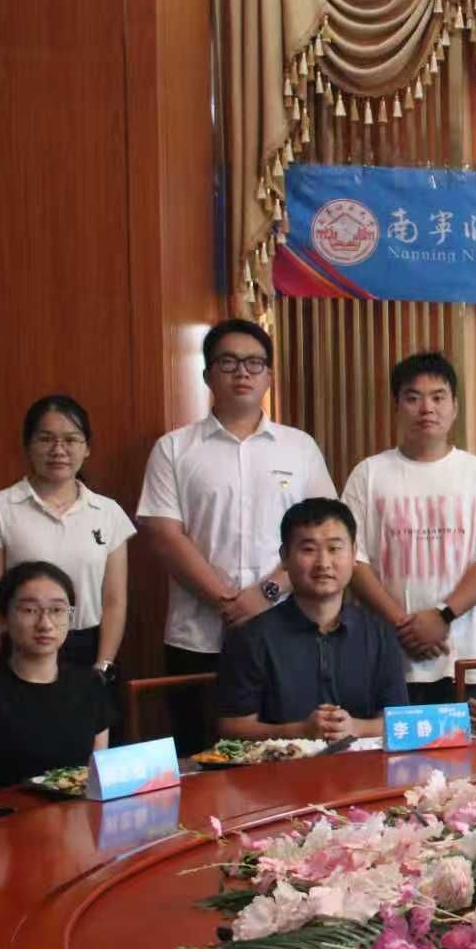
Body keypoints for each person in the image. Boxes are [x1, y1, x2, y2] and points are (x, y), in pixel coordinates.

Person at [137, 318, 335, 753]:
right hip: (199, 636)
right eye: (228, 362)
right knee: (200, 754)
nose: (242, 372)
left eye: (254, 363)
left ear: (269, 376)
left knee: (288, 753)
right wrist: (226, 603)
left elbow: (321, 531)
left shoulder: (299, 447)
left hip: (288, 630)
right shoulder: (174, 448)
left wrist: (267, 592)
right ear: (207, 374)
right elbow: (164, 535)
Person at [343, 352, 476, 705]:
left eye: (438, 397)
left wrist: (443, 615)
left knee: (465, 742)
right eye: (413, 397)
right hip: (386, 655)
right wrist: (402, 624)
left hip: (462, 660)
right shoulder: (369, 473)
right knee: (384, 741)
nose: (427, 408)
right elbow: (351, 559)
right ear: (397, 406)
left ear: (455, 407)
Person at [0, 395, 135, 682]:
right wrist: (10, 654)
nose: (59, 450)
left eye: (71, 440)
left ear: (87, 448)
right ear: (28, 446)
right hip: (23, 647)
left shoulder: (108, 512)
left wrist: (104, 665)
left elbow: (114, 600)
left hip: (89, 650)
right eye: (46, 439)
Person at [214, 499, 407, 740]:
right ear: (285, 557)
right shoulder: (250, 637)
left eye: (334, 548)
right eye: (308, 549)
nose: (323, 563)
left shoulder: (379, 634)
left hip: (364, 762)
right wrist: (301, 732)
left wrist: (355, 728)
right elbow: (233, 728)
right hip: (282, 763)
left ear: (354, 553)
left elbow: (400, 720)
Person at [0, 562, 114, 788]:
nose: (45, 624)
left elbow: (97, 786)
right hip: (3, 812)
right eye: (29, 610)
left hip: (79, 811)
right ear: (2, 618)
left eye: (57, 610)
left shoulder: (90, 686)